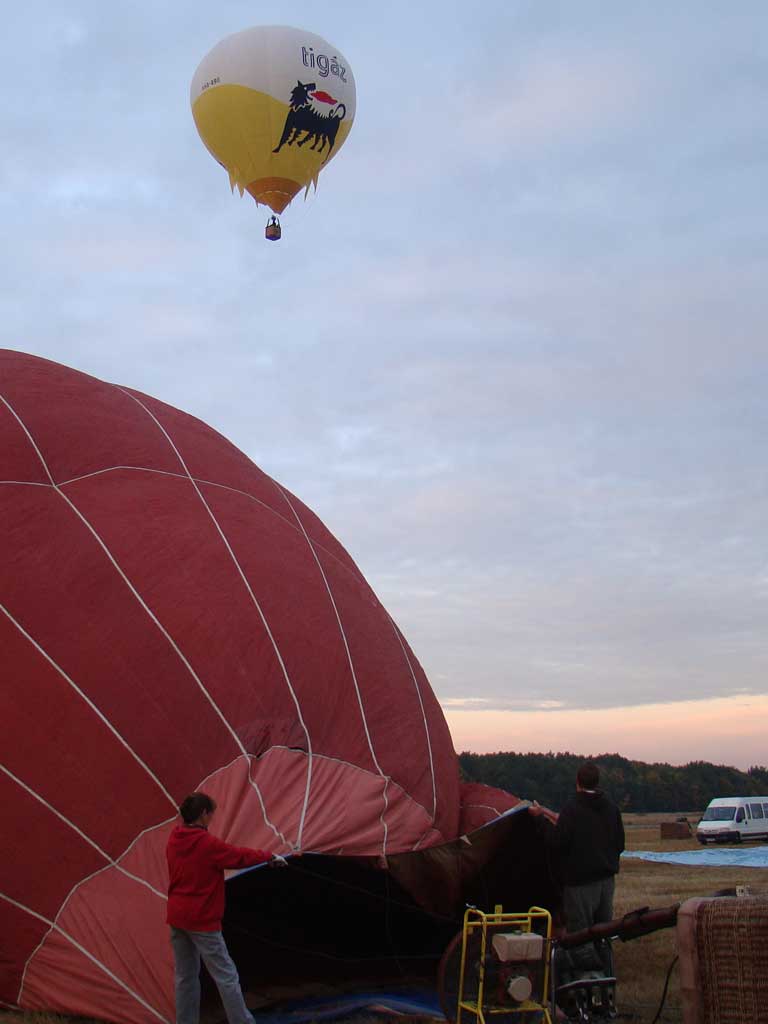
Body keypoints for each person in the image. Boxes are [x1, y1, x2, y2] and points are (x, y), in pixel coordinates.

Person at [166, 791, 288, 1024]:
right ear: (203, 814)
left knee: (185, 977)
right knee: (226, 975)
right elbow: (237, 856)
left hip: (177, 916)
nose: (212, 819)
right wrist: (268, 855)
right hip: (201, 919)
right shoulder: (206, 843)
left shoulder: (174, 838)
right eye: (211, 814)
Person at [529, 761, 624, 978]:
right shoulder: (611, 808)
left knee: (580, 936)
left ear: (577, 782)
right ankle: (607, 985)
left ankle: (588, 985)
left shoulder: (573, 809)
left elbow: (557, 841)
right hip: (606, 883)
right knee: (603, 933)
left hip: (580, 884)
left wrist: (539, 821)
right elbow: (620, 843)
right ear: (597, 782)